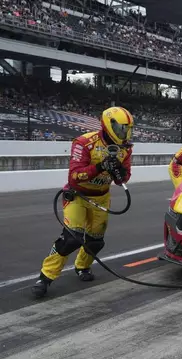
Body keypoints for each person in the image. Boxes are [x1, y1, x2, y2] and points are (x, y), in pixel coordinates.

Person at [31, 106, 134, 298]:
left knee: (95, 242)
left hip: (102, 196)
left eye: (128, 129)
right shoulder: (84, 142)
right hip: (77, 195)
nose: (125, 133)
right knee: (70, 238)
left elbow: (124, 178)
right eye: (122, 129)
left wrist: (118, 172)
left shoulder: (125, 148)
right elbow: (75, 175)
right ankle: (45, 277)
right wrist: (100, 166)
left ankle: (82, 266)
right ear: (109, 125)